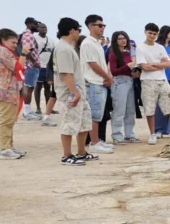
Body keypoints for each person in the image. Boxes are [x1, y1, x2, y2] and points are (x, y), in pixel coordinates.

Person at [53, 17, 94, 165]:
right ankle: (67, 155)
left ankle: (81, 152)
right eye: (78, 30)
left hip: (79, 92)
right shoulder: (63, 49)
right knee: (69, 124)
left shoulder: (68, 47)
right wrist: (75, 93)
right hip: (70, 94)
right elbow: (65, 73)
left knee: (84, 123)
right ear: (72, 31)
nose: (79, 33)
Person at [137, 23, 170, 145]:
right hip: (148, 81)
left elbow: (168, 64)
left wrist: (154, 64)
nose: (152, 36)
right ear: (145, 32)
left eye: (154, 34)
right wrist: (160, 64)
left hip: (162, 80)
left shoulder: (160, 48)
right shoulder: (140, 48)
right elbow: (144, 67)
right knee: (150, 109)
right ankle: (152, 134)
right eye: (150, 33)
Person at [0, 28, 26, 160]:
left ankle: (9, 146)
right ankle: (5, 149)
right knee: (6, 120)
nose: (15, 45)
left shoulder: (2, 50)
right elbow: (18, 68)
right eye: (13, 42)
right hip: (6, 90)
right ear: (3, 40)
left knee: (10, 120)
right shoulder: (2, 51)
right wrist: (24, 54)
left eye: (16, 43)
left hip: (10, 89)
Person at [79, 14, 115, 154]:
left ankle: (97, 140)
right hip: (92, 82)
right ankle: (93, 143)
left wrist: (107, 76)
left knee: (98, 115)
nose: (102, 28)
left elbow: (101, 63)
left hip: (100, 82)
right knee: (94, 115)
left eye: (103, 25)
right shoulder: (87, 43)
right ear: (90, 26)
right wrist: (107, 77)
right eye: (99, 25)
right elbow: (93, 64)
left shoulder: (97, 43)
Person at [107, 30, 139, 143]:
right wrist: (127, 66)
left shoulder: (128, 53)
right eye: (120, 38)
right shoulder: (113, 53)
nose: (123, 40)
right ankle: (117, 135)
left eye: (124, 38)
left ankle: (129, 133)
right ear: (115, 41)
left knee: (130, 110)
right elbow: (114, 71)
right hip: (119, 82)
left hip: (130, 81)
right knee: (119, 110)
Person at [33, 22, 57, 125]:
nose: (44, 29)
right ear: (38, 28)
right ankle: (38, 108)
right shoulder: (35, 39)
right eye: (42, 27)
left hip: (48, 67)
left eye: (46, 27)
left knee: (48, 88)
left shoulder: (51, 41)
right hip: (39, 66)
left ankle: (49, 108)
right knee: (37, 87)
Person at [19, 17, 42, 121]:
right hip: (30, 66)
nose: (37, 26)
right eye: (35, 24)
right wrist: (35, 62)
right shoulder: (28, 35)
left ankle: (28, 110)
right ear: (29, 24)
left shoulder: (29, 35)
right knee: (29, 88)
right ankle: (26, 112)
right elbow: (26, 50)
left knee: (30, 88)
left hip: (30, 65)